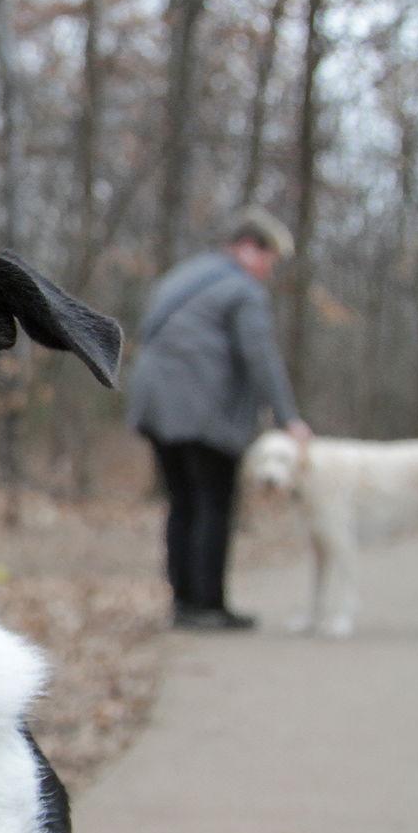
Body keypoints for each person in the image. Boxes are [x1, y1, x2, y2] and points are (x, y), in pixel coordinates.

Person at [127, 208, 312, 630]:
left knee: (183, 503)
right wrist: (288, 418)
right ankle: (209, 605)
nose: (269, 270)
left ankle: (185, 603)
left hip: (155, 404)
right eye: (270, 259)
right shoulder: (241, 289)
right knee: (214, 504)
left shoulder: (183, 275)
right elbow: (260, 356)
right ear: (249, 248)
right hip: (204, 411)